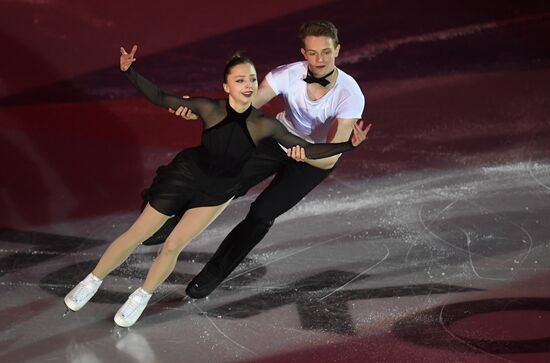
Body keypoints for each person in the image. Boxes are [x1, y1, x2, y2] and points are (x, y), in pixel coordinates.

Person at [63, 44, 370, 328]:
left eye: (251, 79)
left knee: (174, 246)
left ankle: (141, 296)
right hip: (187, 176)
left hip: (217, 192)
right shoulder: (208, 108)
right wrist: (129, 71)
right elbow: (161, 97)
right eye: (240, 80)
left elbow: (311, 149)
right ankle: (92, 280)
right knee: (138, 234)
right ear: (226, 86)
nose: (248, 85)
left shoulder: (265, 125)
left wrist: (349, 147)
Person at [163, 20, 368, 299]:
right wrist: (199, 109)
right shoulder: (287, 74)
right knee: (227, 178)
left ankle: (213, 274)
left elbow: (331, 157)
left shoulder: (350, 94)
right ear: (303, 52)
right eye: (312, 53)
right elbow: (243, 107)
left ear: (338, 50)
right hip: (278, 138)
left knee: (261, 214)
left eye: (326, 52)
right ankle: (172, 220)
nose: (319, 60)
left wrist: (306, 155)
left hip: (314, 159)